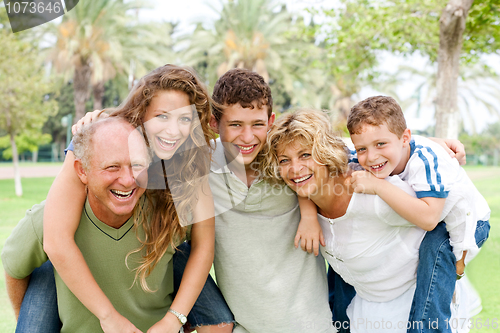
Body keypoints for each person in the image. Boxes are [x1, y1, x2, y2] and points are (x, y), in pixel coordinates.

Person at [35, 65, 234, 332]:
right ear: (142, 114)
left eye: (184, 119)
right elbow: (56, 241)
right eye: (162, 116)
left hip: (163, 254)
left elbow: (203, 246)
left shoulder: (191, 160)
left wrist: (173, 319)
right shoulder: (97, 140)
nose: (173, 131)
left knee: (220, 323)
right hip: (75, 259)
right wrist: (108, 317)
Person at [264, 108, 484, 333]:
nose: (295, 168)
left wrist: (460, 259)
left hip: (411, 305)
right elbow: (362, 141)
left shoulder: (377, 192)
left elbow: (454, 205)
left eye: (305, 155)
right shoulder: (303, 193)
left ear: (325, 152)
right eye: (284, 160)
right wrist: (309, 215)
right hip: (367, 305)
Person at [2, 118, 225, 332]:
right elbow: (14, 268)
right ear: (82, 171)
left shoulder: (168, 213)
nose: (128, 180)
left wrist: (176, 319)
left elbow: (201, 252)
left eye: (137, 165)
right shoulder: (48, 220)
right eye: (112, 167)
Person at [347, 96, 490, 331]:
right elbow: (334, 148)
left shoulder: (426, 159)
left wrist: (379, 186)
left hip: (469, 223)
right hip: (441, 217)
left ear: (405, 138)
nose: (371, 157)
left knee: (433, 252)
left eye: (380, 144)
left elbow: (429, 219)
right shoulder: (367, 157)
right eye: (362, 148)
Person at [208, 68, 335, 332]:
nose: (247, 137)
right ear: (214, 123)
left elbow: (366, 144)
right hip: (246, 326)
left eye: (257, 124)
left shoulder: (288, 157)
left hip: (310, 325)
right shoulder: (199, 164)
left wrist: (309, 214)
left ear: (271, 121)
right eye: (235, 125)